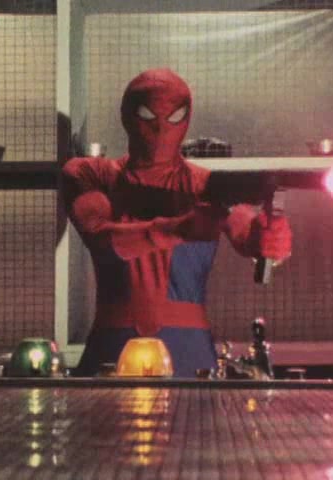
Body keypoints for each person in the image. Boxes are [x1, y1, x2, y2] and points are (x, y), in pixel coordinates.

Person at [62, 68, 292, 377]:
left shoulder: (205, 185)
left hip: (180, 348)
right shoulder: (93, 174)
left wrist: (269, 240)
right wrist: (178, 229)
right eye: (148, 115)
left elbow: (246, 230)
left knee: (190, 410)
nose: (160, 128)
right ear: (127, 115)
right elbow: (99, 237)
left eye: (173, 117)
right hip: (122, 346)